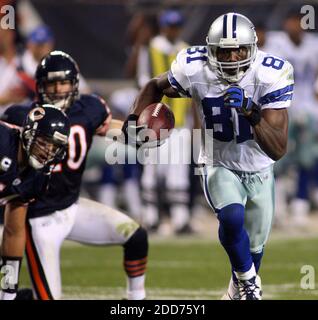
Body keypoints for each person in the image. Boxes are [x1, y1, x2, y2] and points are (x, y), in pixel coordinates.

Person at [122, 12, 294, 300]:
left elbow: (277, 148)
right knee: (231, 217)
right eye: (223, 50)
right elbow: (154, 85)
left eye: (237, 49)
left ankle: (235, 290)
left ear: (251, 47)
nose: (231, 57)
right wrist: (133, 119)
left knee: (254, 246)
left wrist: (251, 111)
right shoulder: (194, 67)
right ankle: (248, 281)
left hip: (260, 166)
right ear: (211, 50)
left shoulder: (270, 73)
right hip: (217, 159)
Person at [2, 50, 148, 300]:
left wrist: (144, 134)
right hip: (39, 218)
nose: (58, 89)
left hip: (71, 207)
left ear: (75, 84)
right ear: (40, 86)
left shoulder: (89, 109)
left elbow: (111, 128)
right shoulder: (21, 118)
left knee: (136, 237)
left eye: (64, 82)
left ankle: (136, 299)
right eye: (52, 82)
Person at [0, 104, 70, 300]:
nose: (49, 151)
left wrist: (8, 292)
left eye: (55, 146)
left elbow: (13, 233)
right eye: (45, 142)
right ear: (29, 132)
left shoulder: (37, 179)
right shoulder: (3, 141)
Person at [136, 9, 194, 234]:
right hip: (154, 122)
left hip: (180, 121)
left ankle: (180, 219)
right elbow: (143, 84)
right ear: (163, 26)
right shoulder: (150, 49)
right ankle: (150, 217)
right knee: (152, 169)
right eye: (170, 26)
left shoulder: (185, 50)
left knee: (178, 171)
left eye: (176, 26)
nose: (173, 30)